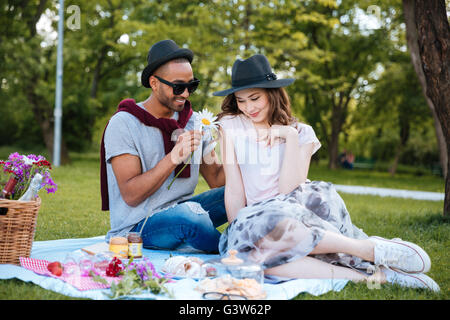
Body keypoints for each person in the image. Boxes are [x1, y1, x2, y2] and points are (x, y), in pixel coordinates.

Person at [213, 54, 439, 291]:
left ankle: (367, 250)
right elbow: (235, 187)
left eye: (254, 98)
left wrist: (288, 136)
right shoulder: (230, 126)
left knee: (282, 230)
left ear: (272, 93)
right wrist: (239, 230)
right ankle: (373, 275)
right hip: (257, 221)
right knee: (255, 263)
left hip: (295, 212)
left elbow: (288, 192)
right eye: (241, 100)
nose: (249, 108)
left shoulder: (302, 133)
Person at [100, 39, 227, 253]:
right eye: (178, 86)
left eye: (191, 86)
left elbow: (216, 179)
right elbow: (131, 195)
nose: (185, 94)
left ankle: (270, 240)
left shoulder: (194, 121)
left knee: (244, 193)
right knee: (189, 218)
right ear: (154, 83)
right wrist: (174, 158)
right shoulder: (124, 123)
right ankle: (240, 250)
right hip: (139, 224)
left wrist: (241, 146)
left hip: (183, 209)